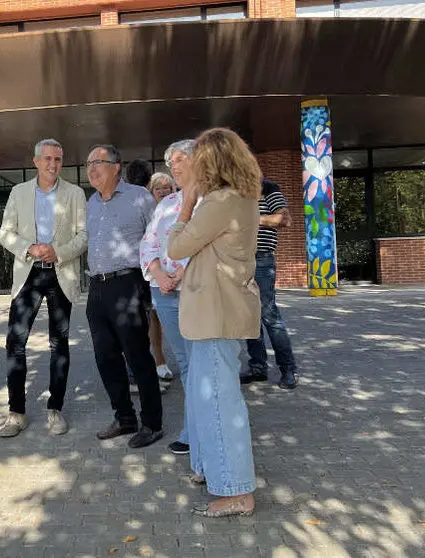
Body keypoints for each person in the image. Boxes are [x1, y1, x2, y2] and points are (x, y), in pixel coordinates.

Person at [167, 127, 262, 518]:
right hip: (217, 313)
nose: (191, 169)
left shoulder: (219, 202)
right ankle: (213, 468)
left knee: (219, 403)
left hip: (215, 315)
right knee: (208, 400)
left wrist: (187, 203)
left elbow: (175, 247)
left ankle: (237, 492)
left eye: (197, 161)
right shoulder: (240, 198)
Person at [0, 138, 88, 437]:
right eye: (47, 158)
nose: (53, 164)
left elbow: (84, 236)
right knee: (15, 342)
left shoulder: (75, 194)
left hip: (60, 272)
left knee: (59, 343)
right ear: (36, 161)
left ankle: (55, 409)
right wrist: (29, 247)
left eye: (58, 159)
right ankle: (16, 413)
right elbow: (4, 233)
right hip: (29, 274)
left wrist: (57, 252)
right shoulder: (19, 192)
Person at [84, 144, 163, 449]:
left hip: (128, 284)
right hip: (97, 287)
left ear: (116, 167)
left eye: (98, 162)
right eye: (88, 164)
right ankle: (124, 417)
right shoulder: (92, 202)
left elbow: (158, 239)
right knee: (105, 357)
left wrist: (154, 283)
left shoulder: (140, 197)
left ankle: (152, 423)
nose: (92, 169)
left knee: (137, 355)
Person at [140, 142, 195, 457]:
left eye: (180, 159)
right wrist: (161, 275)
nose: (174, 166)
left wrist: (184, 273)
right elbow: (148, 244)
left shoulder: (211, 201)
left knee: (203, 364)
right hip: (164, 292)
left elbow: (211, 244)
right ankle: (192, 431)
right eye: (170, 161)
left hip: (198, 292)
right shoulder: (166, 205)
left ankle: (206, 432)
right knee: (186, 363)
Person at [240, 178, 299, 389]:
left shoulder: (268, 189)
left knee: (268, 314)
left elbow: (284, 220)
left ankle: (288, 369)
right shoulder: (235, 193)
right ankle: (258, 367)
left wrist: (252, 218)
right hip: (238, 261)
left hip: (261, 260)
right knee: (249, 317)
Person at [125, 158, 173, 387]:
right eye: (158, 188)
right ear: (149, 189)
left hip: (166, 272)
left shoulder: (175, 209)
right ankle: (145, 369)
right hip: (146, 272)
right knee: (146, 319)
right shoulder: (145, 206)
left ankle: (154, 365)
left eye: (167, 187)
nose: (163, 191)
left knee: (154, 318)